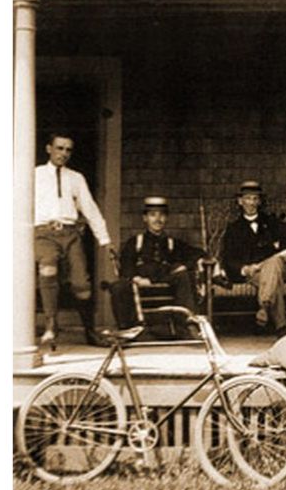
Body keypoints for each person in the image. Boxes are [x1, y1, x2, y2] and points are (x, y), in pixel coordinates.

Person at [34, 132, 111, 348]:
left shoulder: (76, 178)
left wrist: (104, 238)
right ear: (49, 148)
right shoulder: (34, 175)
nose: (64, 153)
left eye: (68, 149)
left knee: (81, 284)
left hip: (70, 233)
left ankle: (89, 331)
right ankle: (51, 324)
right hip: (43, 232)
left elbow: (89, 207)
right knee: (48, 267)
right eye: (59, 148)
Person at [221, 180, 286, 336]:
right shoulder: (233, 229)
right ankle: (281, 328)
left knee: (275, 261)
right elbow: (228, 259)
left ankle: (264, 307)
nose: (251, 203)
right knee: (271, 279)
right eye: (247, 198)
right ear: (240, 201)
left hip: (281, 270)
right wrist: (245, 269)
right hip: (254, 274)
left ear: (260, 201)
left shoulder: (271, 222)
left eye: (255, 199)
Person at [108, 197, 207, 338]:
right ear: (145, 218)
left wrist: (184, 266)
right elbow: (126, 264)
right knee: (119, 286)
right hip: (140, 281)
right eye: (153, 215)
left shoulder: (171, 243)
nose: (158, 219)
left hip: (166, 280)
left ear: (166, 218)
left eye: (161, 215)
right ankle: (129, 329)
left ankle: (187, 324)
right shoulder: (136, 242)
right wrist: (136, 278)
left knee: (184, 275)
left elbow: (198, 253)